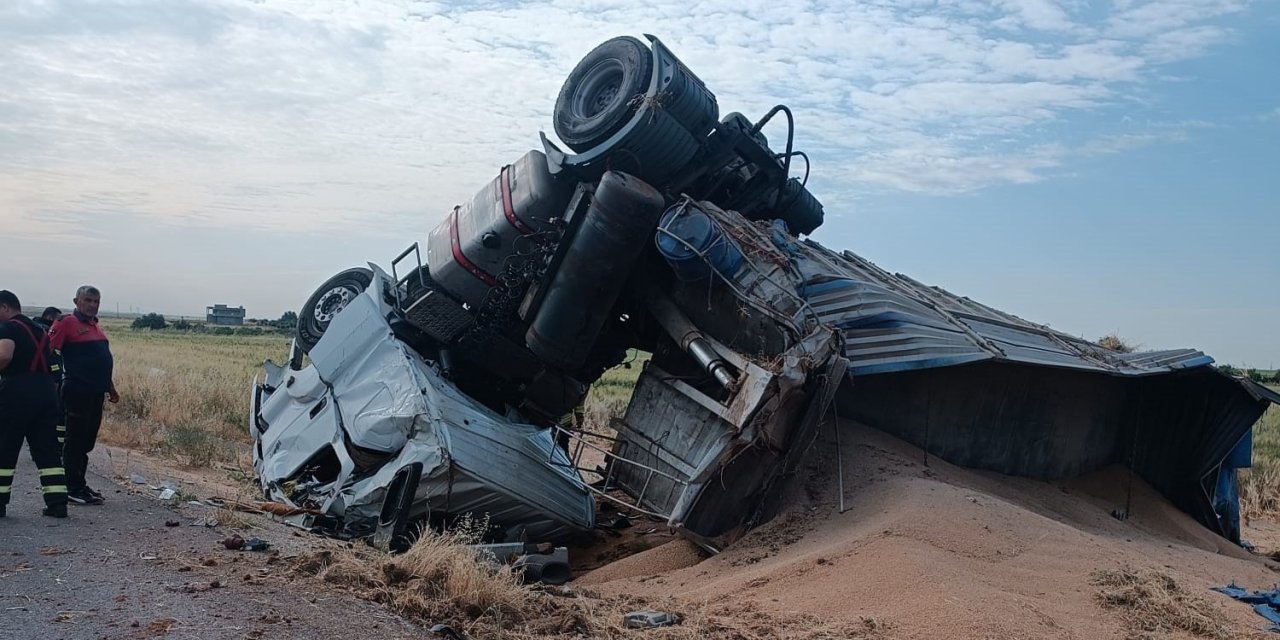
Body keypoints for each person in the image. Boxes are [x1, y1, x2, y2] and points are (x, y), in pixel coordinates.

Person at [0, 290, 69, 518]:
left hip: (18, 391)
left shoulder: (8, 327)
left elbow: (4, 355)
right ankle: (57, 503)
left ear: (4, 307)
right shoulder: (39, 330)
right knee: (47, 450)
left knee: (5, 447)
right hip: (46, 392)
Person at [49, 285, 118, 506]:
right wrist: (53, 381)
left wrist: (110, 387)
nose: (92, 305)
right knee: (75, 440)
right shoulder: (66, 322)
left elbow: (101, 362)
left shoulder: (94, 326)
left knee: (87, 441)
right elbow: (49, 351)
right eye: (87, 300)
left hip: (96, 391)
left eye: (96, 301)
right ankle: (71, 487)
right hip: (77, 390)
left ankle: (80, 483)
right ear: (76, 301)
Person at [32, 306, 66, 445]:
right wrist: (56, 375)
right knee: (55, 413)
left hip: (35, 379)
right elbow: (51, 356)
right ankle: (55, 445)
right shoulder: (47, 332)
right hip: (50, 378)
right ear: (50, 318)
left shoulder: (34, 328)